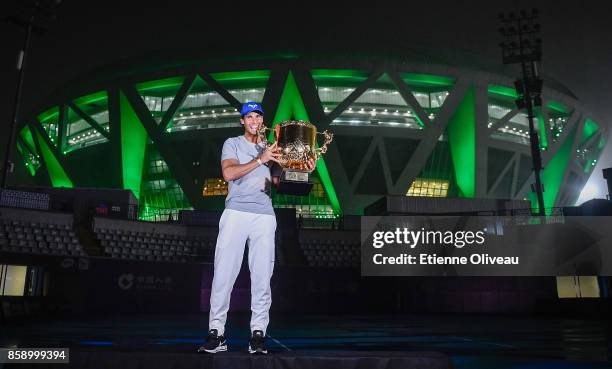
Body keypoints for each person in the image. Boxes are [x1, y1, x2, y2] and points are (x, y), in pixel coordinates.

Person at [198, 102, 315, 355]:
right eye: (249, 116)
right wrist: (259, 159)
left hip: (263, 216)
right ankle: (216, 334)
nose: (253, 121)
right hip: (235, 213)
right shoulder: (233, 144)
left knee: (262, 278)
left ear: (262, 121)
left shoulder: (272, 148)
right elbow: (229, 174)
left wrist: (302, 171)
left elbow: (279, 184)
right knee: (223, 276)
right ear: (242, 121)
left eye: (258, 116)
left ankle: (257, 335)